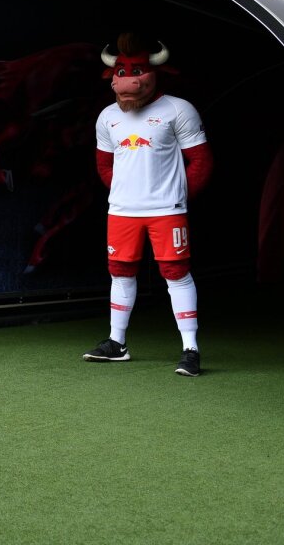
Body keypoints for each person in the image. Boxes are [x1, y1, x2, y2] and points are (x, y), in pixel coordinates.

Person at [83, 34, 213, 378]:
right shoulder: (107, 116)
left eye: (136, 70)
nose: (128, 78)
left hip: (166, 211)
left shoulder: (178, 109)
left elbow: (199, 161)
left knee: (176, 273)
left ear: (155, 72)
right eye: (122, 71)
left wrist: (177, 199)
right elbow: (105, 165)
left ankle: (190, 349)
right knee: (120, 272)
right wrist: (128, 193)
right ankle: (116, 343)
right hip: (122, 211)